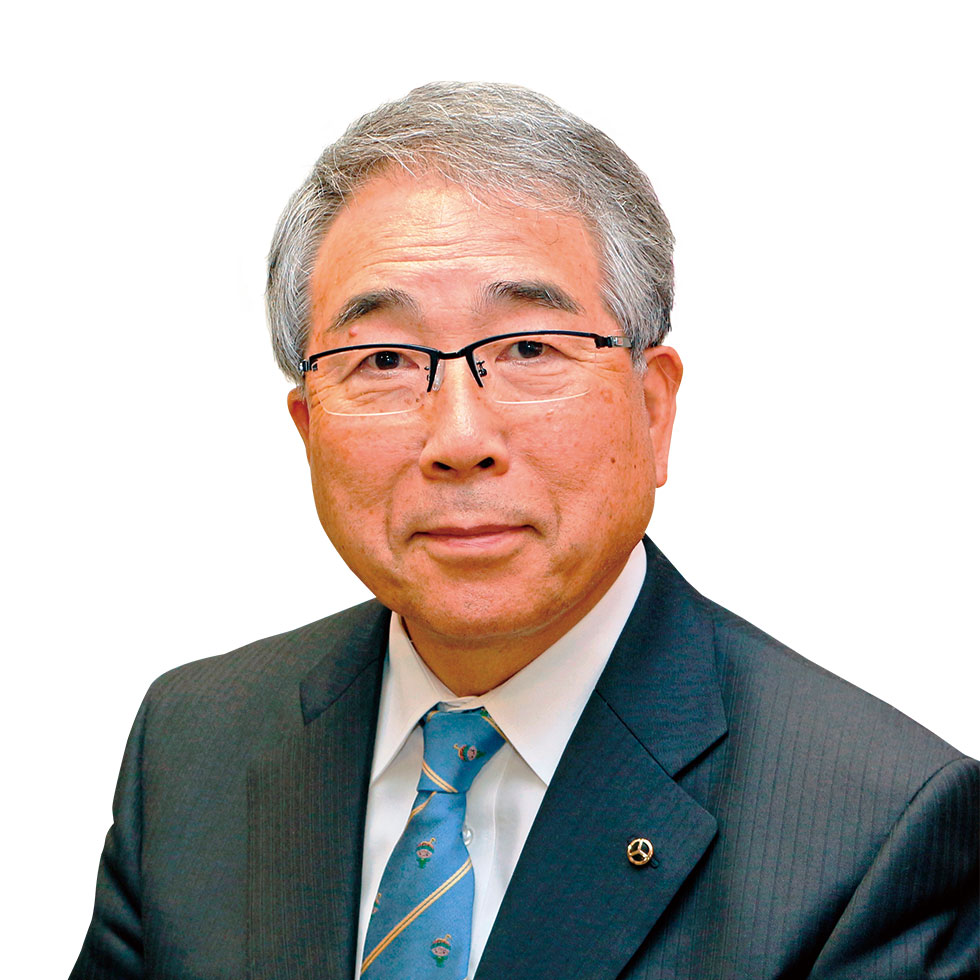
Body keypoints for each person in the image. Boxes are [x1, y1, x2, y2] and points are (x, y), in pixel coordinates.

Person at [70, 82, 978, 980]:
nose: (460, 439)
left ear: (652, 410)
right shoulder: (192, 746)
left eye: (529, 349)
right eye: (383, 359)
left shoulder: (876, 832)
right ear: (309, 429)